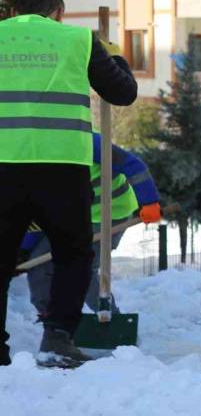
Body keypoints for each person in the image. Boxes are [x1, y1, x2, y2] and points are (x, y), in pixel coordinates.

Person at [0, 0, 137, 368]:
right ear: (58, 13)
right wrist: (115, 58)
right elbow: (122, 94)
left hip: (2, 166)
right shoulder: (79, 40)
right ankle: (57, 338)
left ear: (12, 12)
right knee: (73, 255)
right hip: (61, 169)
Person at [19, 133, 161, 317]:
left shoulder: (83, 140)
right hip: (72, 215)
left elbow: (132, 165)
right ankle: (51, 321)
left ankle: (110, 319)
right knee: (39, 263)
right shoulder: (26, 160)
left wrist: (149, 201)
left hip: (109, 213)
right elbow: (36, 215)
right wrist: (24, 251)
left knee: (82, 266)